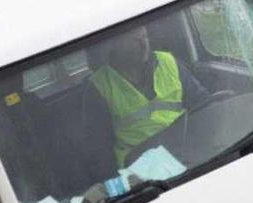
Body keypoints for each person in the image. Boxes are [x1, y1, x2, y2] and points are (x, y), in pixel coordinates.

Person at [89, 25, 210, 167]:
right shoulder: (98, 86)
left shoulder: (168, 61)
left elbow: (202, 103)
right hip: (140, 167)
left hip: (187, 150)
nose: (143, 44)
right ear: (114, 45)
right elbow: (99, 148)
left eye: (144, 37)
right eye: (134, 40)